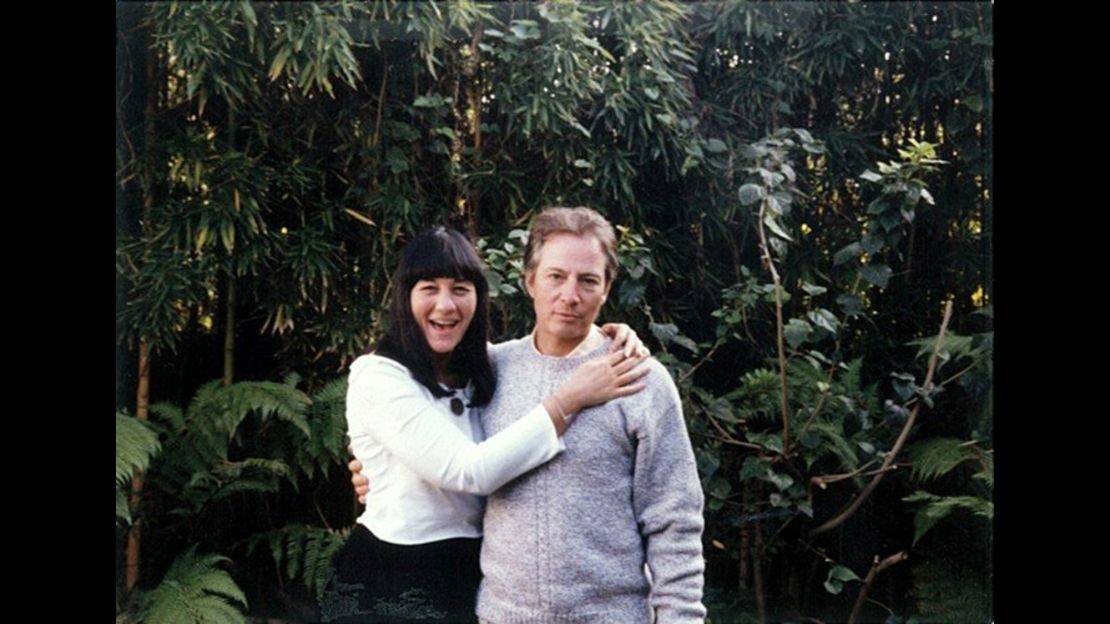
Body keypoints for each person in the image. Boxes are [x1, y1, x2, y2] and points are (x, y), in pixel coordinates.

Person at [354, 208, 707, 623]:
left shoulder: (637, 379)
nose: (570, 296)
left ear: (607, 288)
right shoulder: (489, 371)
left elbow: (674, 521)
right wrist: (377, 469)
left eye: (588, 280)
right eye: (556, 276)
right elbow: (448, 456)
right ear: (530, 281)